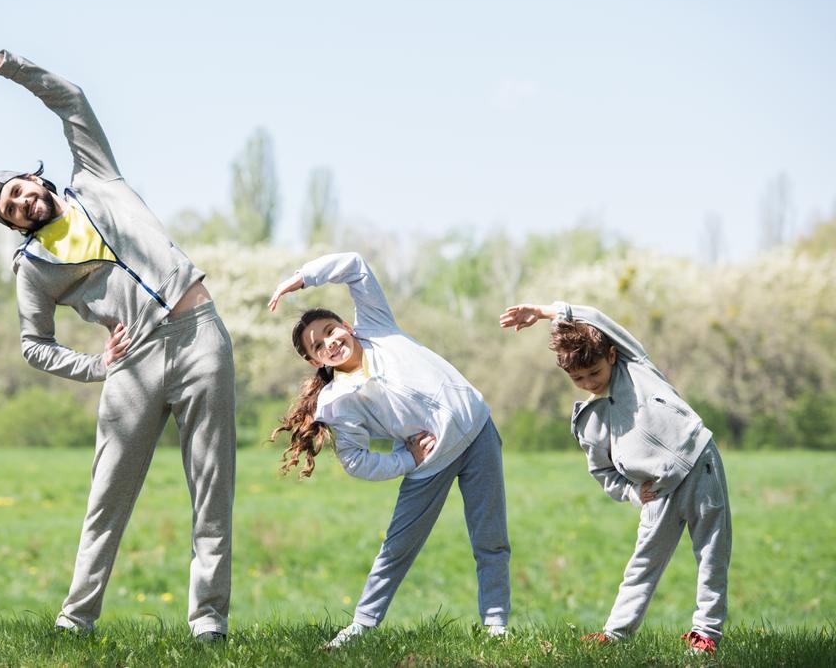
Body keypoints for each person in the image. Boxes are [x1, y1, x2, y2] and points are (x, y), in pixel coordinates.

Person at [0, 49, 236, 642]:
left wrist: (0, 63)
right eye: (12, 210)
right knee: (107, 497)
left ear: (36, 178)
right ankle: (76, 621)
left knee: (212, 486)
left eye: (21, 190)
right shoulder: (34, 269)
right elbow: (34, 345)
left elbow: (69, 98)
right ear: (15, 224)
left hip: (202, 339)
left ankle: (209, 623)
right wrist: (97, 365)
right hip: (132, 364)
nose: (22, 202)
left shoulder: (96, 179)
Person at [268, 252, 511, 649]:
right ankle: (361, 625)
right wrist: (406, 458)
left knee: (491, 539)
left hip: (479, 430)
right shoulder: (339, 401)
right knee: (396, 549)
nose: (330, 342)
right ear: (314, 360)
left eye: (331, 330)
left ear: (347, 325)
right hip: (429, 463)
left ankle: (497, 625)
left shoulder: (378, 328)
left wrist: (301, 279)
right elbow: (357, 459)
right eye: (318, 345)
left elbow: (355, 266)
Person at [499, 302, 731, 654]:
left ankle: (706, 633)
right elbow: (603, 472)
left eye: (594, 371)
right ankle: (616, 633)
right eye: (579, 379)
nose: (589, 382)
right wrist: (635, 493)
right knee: (642, 563)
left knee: (712, 552)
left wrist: (548, 312)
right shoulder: (587, 422)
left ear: (610, 355)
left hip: (700, 462)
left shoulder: (635, 365)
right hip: (657, 492)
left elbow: (593, 316)